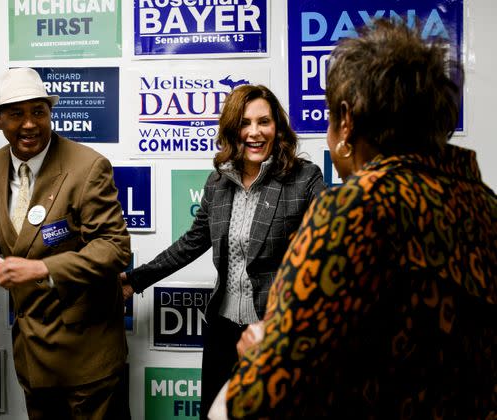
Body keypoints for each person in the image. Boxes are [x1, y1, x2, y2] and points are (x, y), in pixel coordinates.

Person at [223, 20, 497, 418]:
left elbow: (261, 398)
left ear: (347, 120)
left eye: (331, 115)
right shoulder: (484, 204)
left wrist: (258, 353)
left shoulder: (354, 208)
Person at [121, 84, 325, 418]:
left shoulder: (303, 179)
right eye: (245, 123)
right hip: (222, 330)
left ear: (278, 127)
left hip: (274, 331)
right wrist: (134, 280)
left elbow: (322, 255)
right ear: (233, 129)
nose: (255, 132)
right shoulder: (218, 183)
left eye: (264, 122)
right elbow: (192, 242)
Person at [0, 67, 131, 420]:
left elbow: (113, 246)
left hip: (87, 351)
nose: (29, 123)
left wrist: (45, 268)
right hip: (33, 352)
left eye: (39, 112)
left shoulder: (88, 166)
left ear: (51, 113)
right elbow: (14, 237)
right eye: (16, 113)